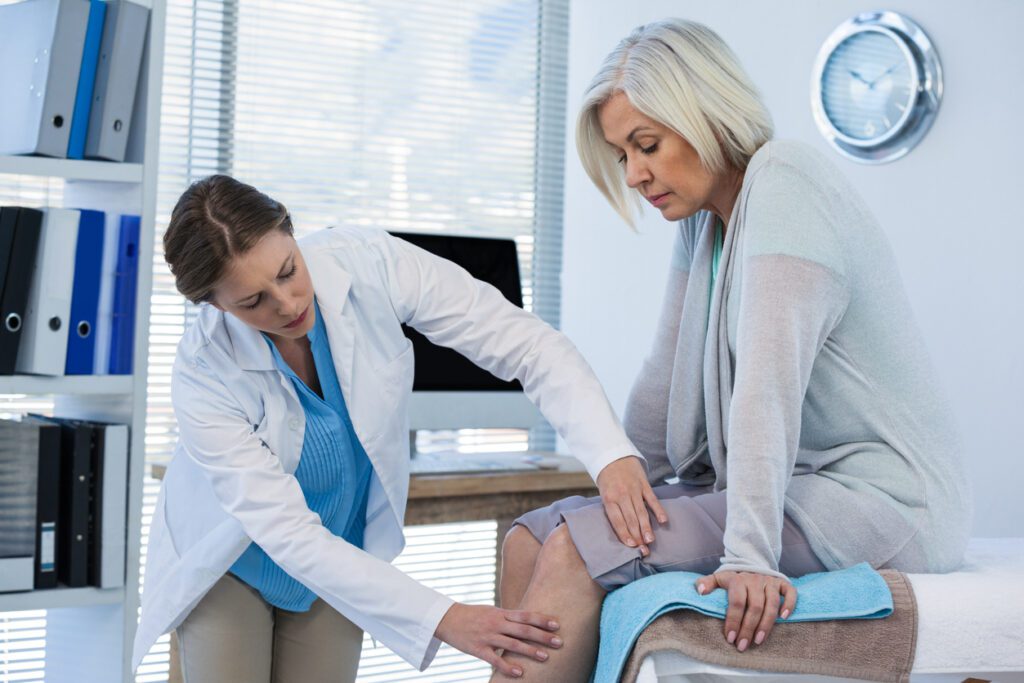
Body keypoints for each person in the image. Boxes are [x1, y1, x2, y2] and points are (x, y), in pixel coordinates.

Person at [497, 18, 972, 681]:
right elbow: (662, 388)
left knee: (573, 553)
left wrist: (751, 555)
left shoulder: (787, 182)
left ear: (704, 113)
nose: (634, 174)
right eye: (622, 155)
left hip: (879, 501)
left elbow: (765, 389)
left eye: (647, 145)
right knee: (531, 537)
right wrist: (615, 481)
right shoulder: (705, 225)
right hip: (793, 489)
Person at [130, 175, 669, 681]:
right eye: (253, 302)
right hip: (236, 561)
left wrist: (610, 456)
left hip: (343, 548)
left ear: (290, 231)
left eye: (288, 270)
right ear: (213, 306)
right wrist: (445, 616)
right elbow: (288, 534)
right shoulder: (204, 371)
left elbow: (524, 343)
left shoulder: (366, 262)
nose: (289, 303)